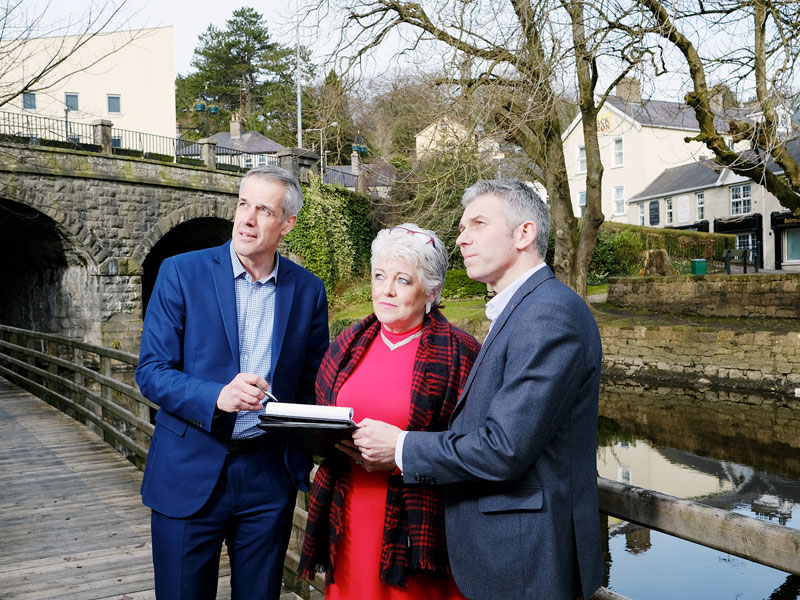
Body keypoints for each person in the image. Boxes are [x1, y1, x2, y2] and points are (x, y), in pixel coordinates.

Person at [353, 181, 604, 600]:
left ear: (524, 234)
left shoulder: (548, 315)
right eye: (462, 226)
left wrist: (400, 447)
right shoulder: (524, 308)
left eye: (478, 224)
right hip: (504, 550)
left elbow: (504, 448)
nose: (461, 237)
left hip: (525, 558)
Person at [136, 165, 329, 600]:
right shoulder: (180, 273)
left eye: (263, 210)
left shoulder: (308, 291)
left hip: (267, 476)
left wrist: (309, 454)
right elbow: (151, 372)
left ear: (287, 224)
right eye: (244, 204)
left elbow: (311, 386)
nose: (246, 218)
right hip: (188, 469)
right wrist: (216, 395)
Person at [298, 224, 481, 600]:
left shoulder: (462, 354)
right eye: (380, 276)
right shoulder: (347, 345)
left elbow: (473, 447)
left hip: (418, 527)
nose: (387, 289)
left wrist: (401, 454)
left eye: (402, 280)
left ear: (431, 291)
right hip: (348, 514)